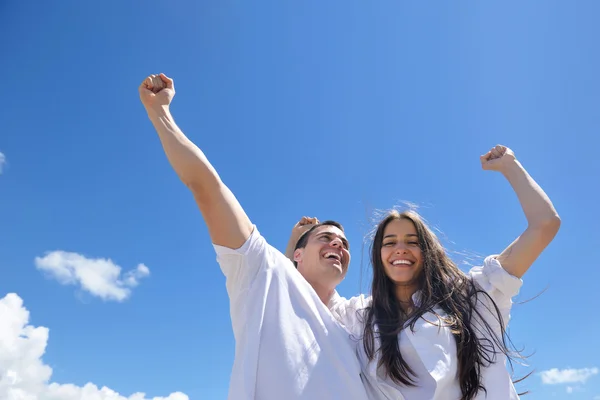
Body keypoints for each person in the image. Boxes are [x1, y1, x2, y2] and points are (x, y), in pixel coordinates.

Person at [138, 73, 370, 400]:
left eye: (344, 244)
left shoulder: (355, 325)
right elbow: (207, 187)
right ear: (297, 255)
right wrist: (160, 114)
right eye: (326, 238)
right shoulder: (263, 275)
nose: (338, 245)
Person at [290, 145, 560, 400]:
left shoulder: (471, 296)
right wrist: (298, 244)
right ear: (378, 255)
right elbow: (294, 289)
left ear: (428, 250)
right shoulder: (360, 317)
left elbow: (544, 225)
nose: (400, 249)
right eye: (389, 242)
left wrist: (510, 166)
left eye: (412, 241)